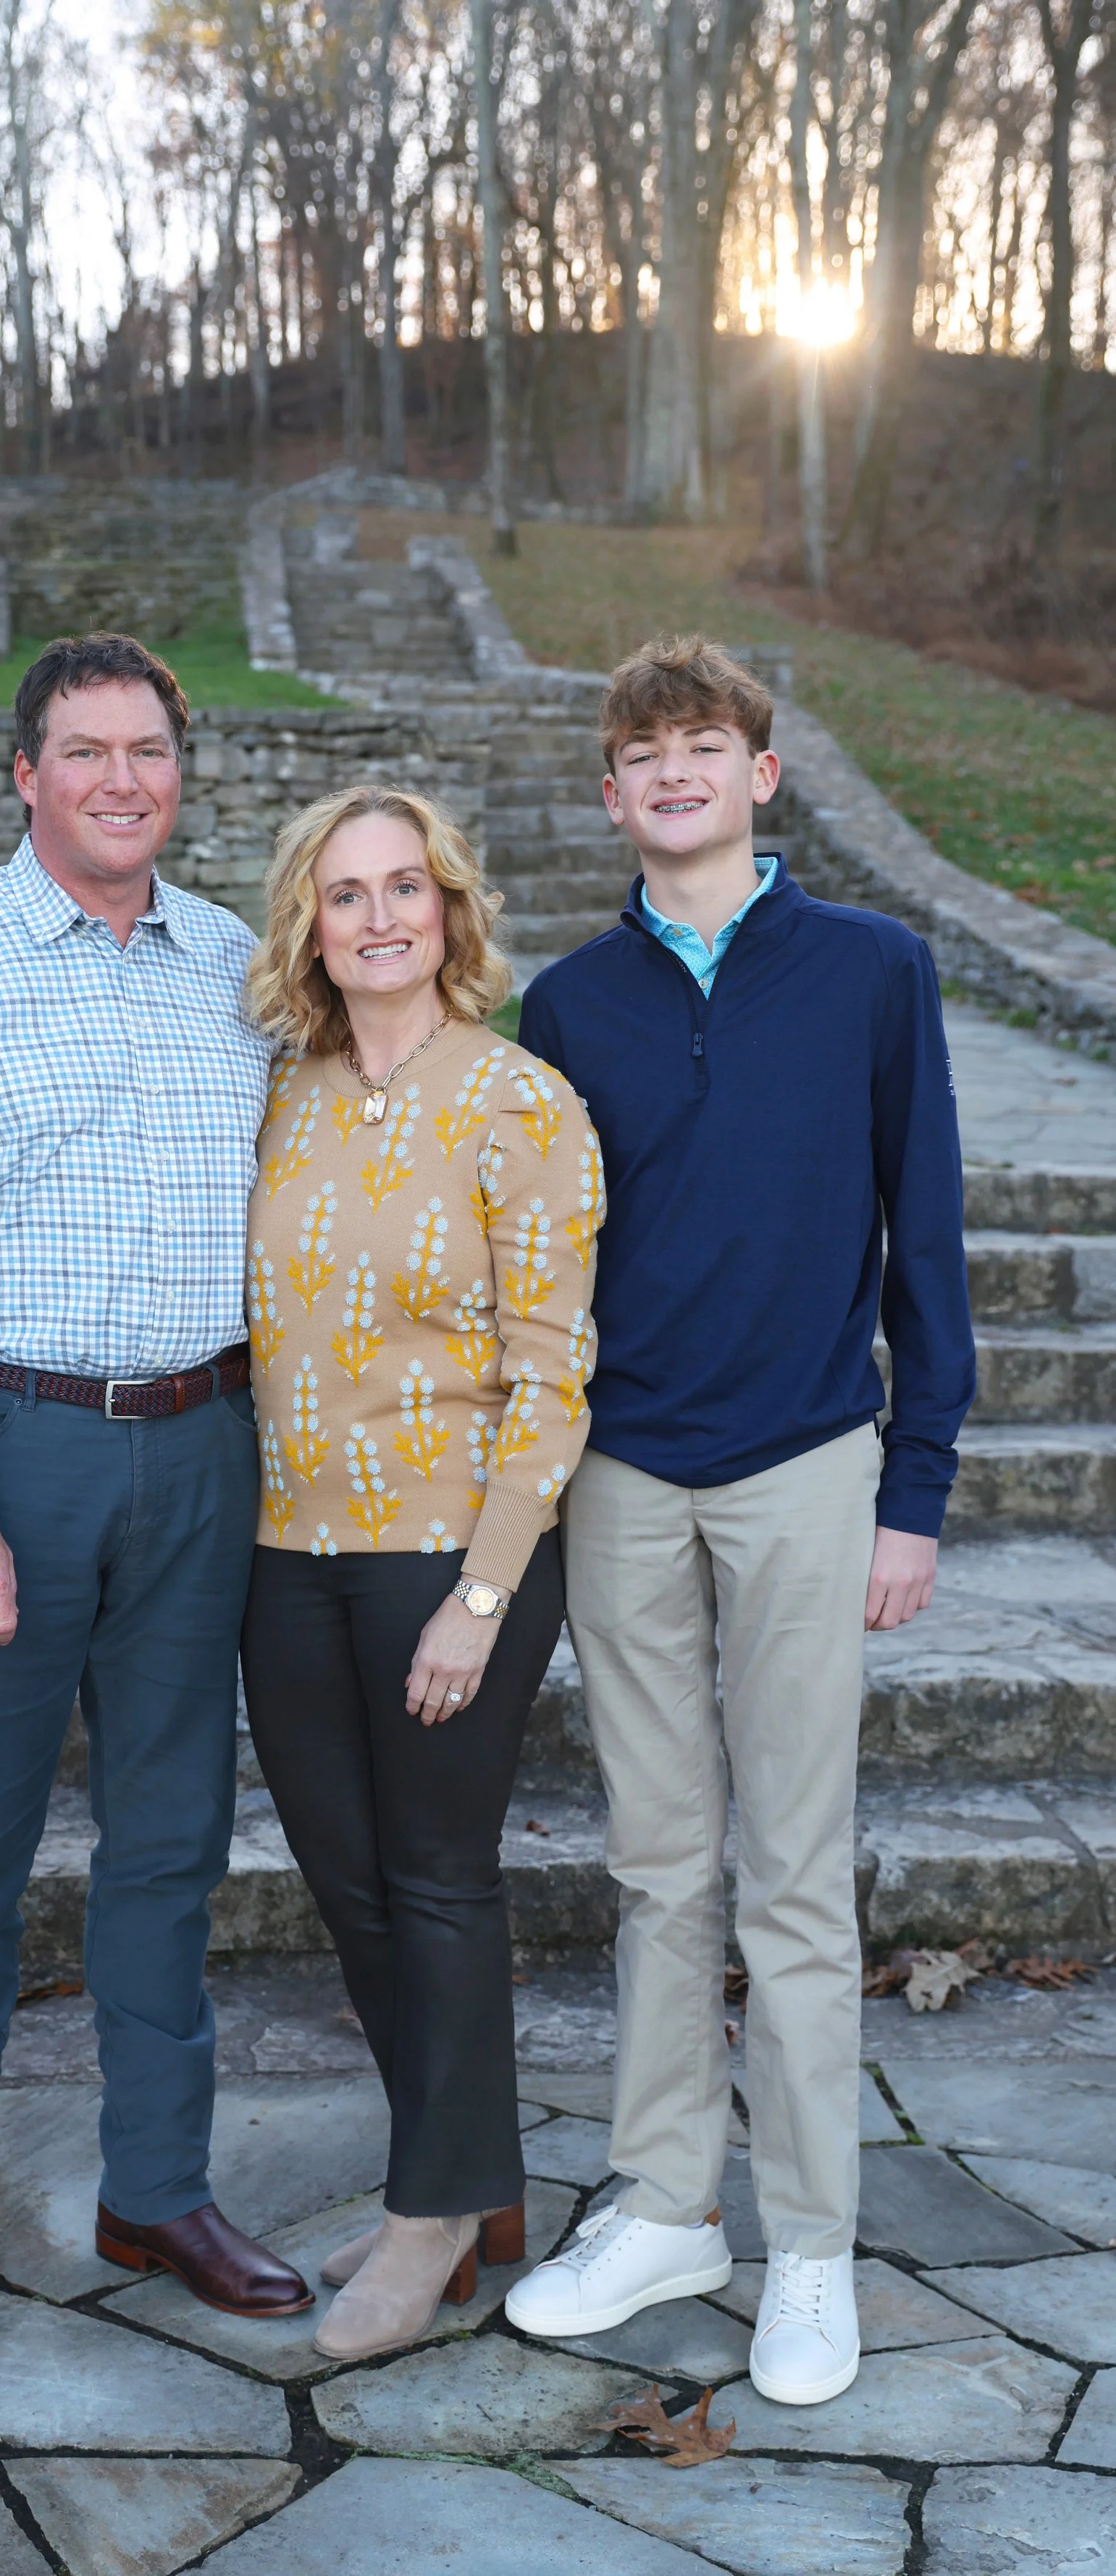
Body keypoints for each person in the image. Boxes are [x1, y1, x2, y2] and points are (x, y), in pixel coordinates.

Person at [0, 631, 314, 2386]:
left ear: (182, 776)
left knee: (172, 1849)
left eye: (149, 752)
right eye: (83, 752)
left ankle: (155, 2192)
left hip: (200, 1451)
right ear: (22, 775)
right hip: (7, 1454)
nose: (121, 780)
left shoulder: (241, 973)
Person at [507, 637, 975, 2405]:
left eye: (704, 745)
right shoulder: (563, 1008)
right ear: (611, 796)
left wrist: (910, 1490)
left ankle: (807, 2246)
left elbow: (918, 1239)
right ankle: (661, 2205)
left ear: (758, 774)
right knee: (652, 1865)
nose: (675, 774)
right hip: (622, 1473)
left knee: (789, 1878)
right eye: (643, 755)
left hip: (801, 1466)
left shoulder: (871, 972)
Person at [239, 784, 602, 2361]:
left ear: (449, 911)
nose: (378, 917)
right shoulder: (281, 1096)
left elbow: (553, 1366)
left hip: (454, 1551)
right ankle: (461, 2170)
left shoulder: (521, 1102)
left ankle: (432, 2212)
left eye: (406, 887)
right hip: (283, 1549)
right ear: (307, 928)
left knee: (437, 1877)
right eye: (344, 895)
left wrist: (482, 1593)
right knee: (350, 1885)